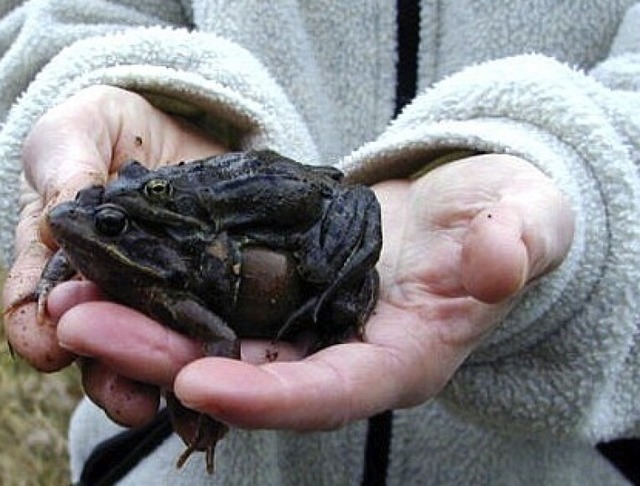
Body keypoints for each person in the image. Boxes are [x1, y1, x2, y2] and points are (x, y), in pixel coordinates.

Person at [1, 1, 639, 484]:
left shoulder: (197, 221)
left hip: (325, 210)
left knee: (317, 264)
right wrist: (110, 82)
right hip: (151, 463)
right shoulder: (175, 208)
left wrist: (582, 181)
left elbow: (231, 255)